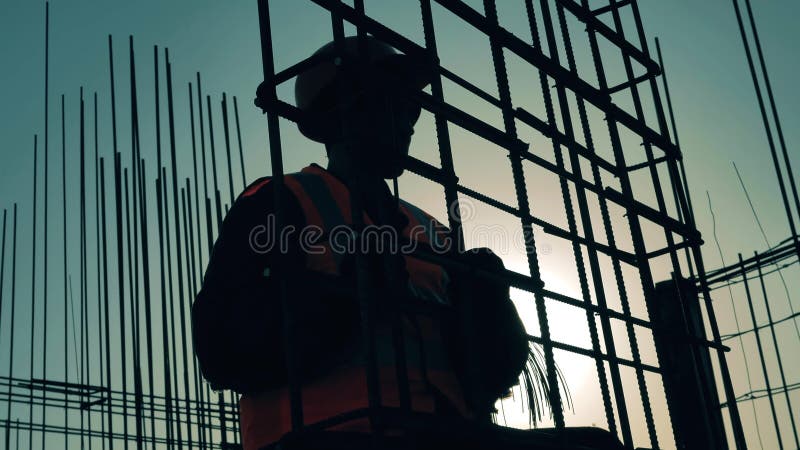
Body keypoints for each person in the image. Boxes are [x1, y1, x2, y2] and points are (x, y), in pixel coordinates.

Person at [192, 35, 621, 450]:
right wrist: (346, 301)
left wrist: (491, 313)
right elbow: (221, 349)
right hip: (328, 436)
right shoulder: (280, 203)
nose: (410, 118)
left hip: (444, 433)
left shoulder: (430, 231)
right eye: (393, 102)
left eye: (412, 104)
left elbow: (487, 379)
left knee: (596, 446)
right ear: (339, 112)